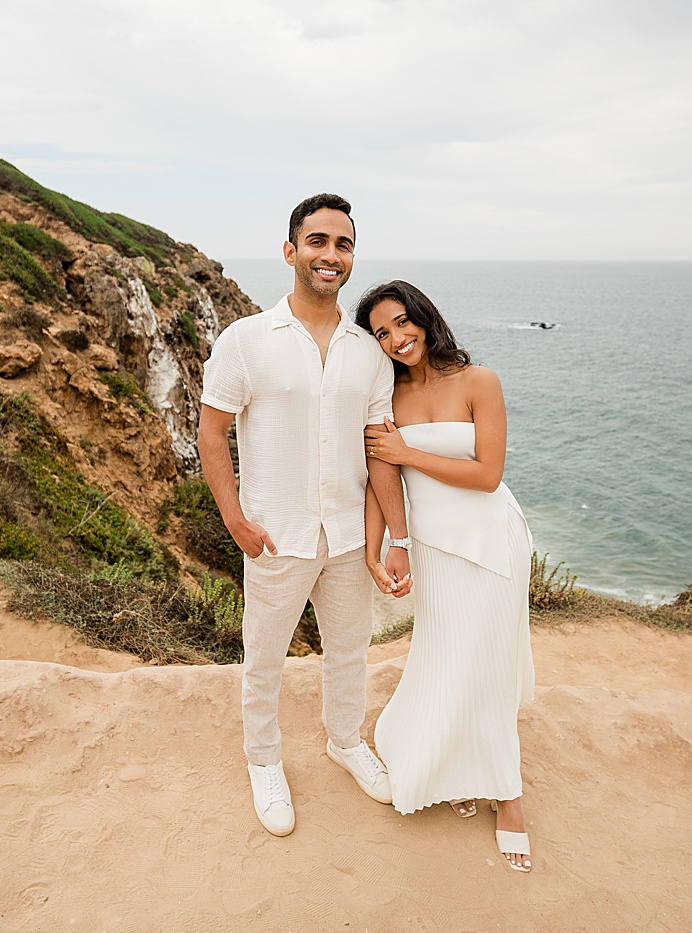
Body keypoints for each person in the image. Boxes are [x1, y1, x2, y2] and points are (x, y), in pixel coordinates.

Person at [196, 194, 413, 837]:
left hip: (348, 534)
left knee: (348, 651)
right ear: (291, 251)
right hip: (276, 533)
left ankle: (344, 742)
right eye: (317, 242)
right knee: (263, 656)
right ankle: (264, 761)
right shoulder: (246, 341)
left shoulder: (369, 352)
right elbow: (212, 434)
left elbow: (380, 454)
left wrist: (392, 537)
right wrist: (235, 519)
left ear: (351, 260)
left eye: (343, 245)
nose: (331, 255)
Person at [356, 280, 536, 873]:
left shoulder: (479, 381)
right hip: (433, 545)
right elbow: (380, 485)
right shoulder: (386, 395)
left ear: (425, 318)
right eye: (382, 332)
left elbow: (487, 474)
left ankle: (507, 796)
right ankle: (456, 767)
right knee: (445, 657)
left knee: (489, 662)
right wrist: (379, 549)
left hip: (491, 539)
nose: (397, 338)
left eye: (403, 322)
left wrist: (407, 453)